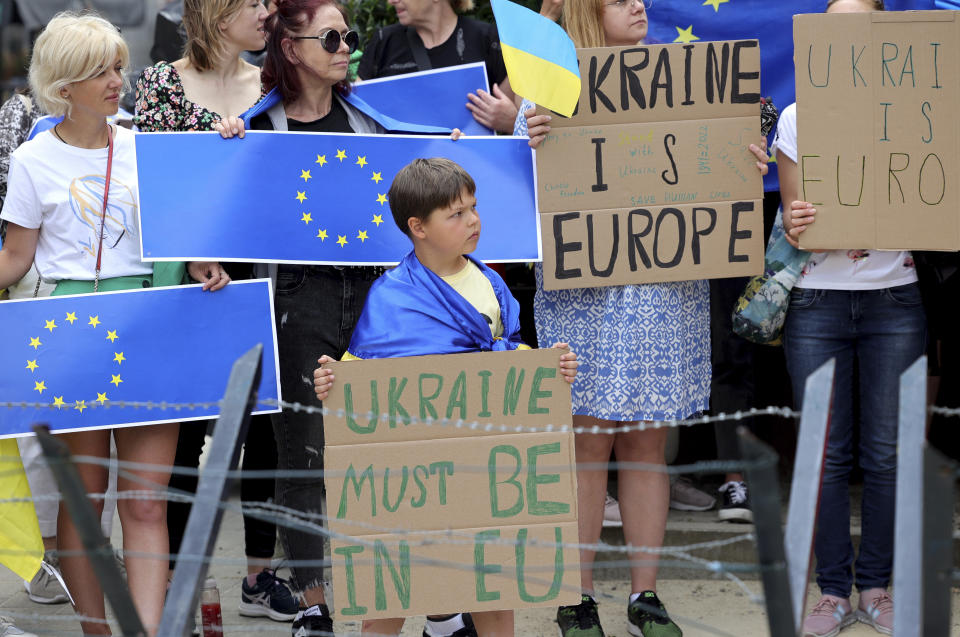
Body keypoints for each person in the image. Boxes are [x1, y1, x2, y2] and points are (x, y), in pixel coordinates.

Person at [518, 1, 770, 634]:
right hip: (587, 295)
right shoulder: (545, 95)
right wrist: (528, 143)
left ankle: (644, 597)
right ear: (584, 10)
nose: (638, 5)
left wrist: (747, 164)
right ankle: (575, 599)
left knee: (645, 442)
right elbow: (514, 193)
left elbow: (712, 171)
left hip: (665, 288)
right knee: (588, 442)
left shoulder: (683, 85)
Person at [0, 12, 228, 635]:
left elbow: (180, 233)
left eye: (118, 66)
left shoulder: (149, 148)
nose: (115, 80)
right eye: (99, 69)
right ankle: (98, 630)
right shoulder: (31, 160)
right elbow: (15, 260)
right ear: (64, 85)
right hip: (68, 334)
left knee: (148, 501)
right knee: (87, 500)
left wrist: (202, 261)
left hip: (152, 325)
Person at [312, 157, 578, 637]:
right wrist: (334, 382)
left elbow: (512, 355)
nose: (473, 221)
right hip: (412, 479)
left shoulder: (491, 282)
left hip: (482, 466)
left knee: (497, 590)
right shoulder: (391, 295)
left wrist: (548, 367)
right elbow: (362, 374)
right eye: (456, 214)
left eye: (474, 208)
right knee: (388, 597)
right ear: (418, 228)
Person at [134, 0, 298, 624]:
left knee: (261, 424)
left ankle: (259, 575)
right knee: (182, 432)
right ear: (214, 12)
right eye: (252, 3)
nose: (268, 12)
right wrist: (199, 250)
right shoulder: (161, 85)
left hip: (265, 273)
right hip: (186, 278)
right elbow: (156, 184)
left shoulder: (276, 82)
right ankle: (177, 576)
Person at [775, 1, 920, 635]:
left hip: (895, 299)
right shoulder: (797, 118)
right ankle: (833, 592)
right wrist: (798, 222)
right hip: (816, 303)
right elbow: (792, 217)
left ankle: (878, 588)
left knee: (888, 455)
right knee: (825, 456)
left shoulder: (917, 113)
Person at [356, 0, 518, 133]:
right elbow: (356, 114)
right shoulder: (384, 41)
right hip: (400, 169)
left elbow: (522, 122)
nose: (391, 1)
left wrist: (512, 122)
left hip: (468, 169)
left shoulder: (487, 39)